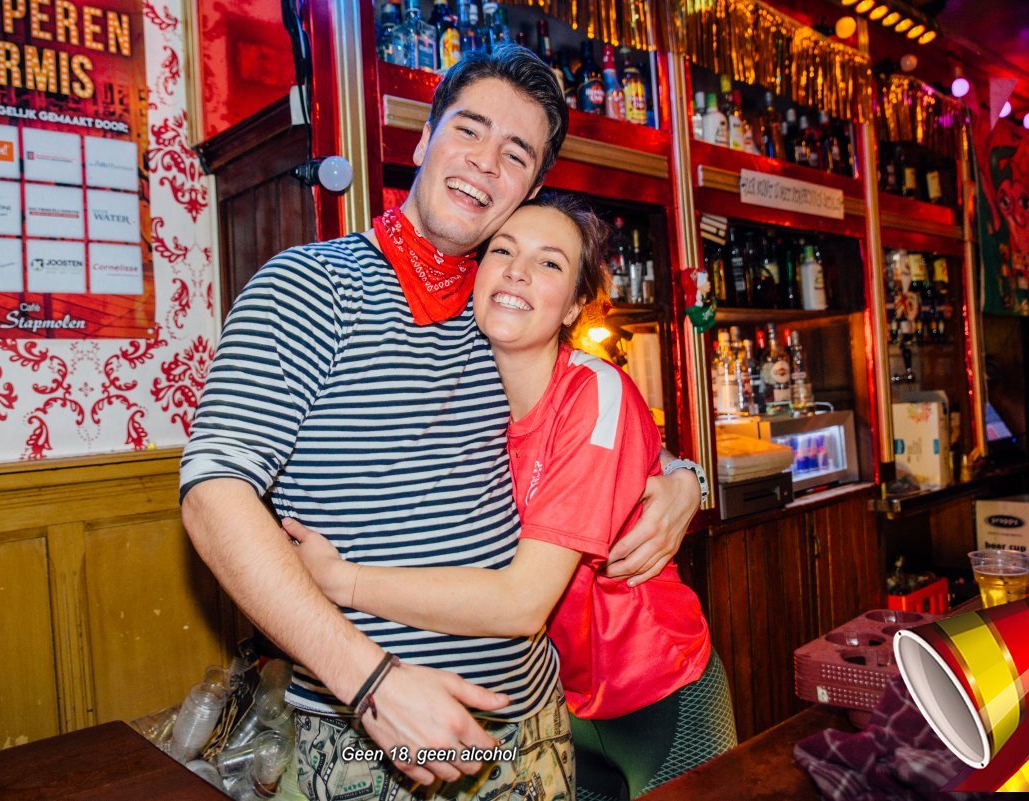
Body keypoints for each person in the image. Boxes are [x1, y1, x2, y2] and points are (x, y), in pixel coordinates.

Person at [180, 45, 703, 801]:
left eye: (515, 154)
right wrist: (371, 681)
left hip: (528, 732)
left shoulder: (504, 309)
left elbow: (594, 425)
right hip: (367, 735)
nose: (486, 162)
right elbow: (212, 493)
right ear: (424, 140)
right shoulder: (310, 287)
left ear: (530, 189)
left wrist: (682, 478)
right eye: (468, 129)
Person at [286, 194, 736, 798]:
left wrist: (341, 581)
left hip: (657, 691)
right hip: (559, 701)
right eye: (503, 251)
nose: (518, 271)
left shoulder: (594, 392)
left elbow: (522, 603)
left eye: (549, 263)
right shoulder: (468, 393)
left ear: (574, 304)